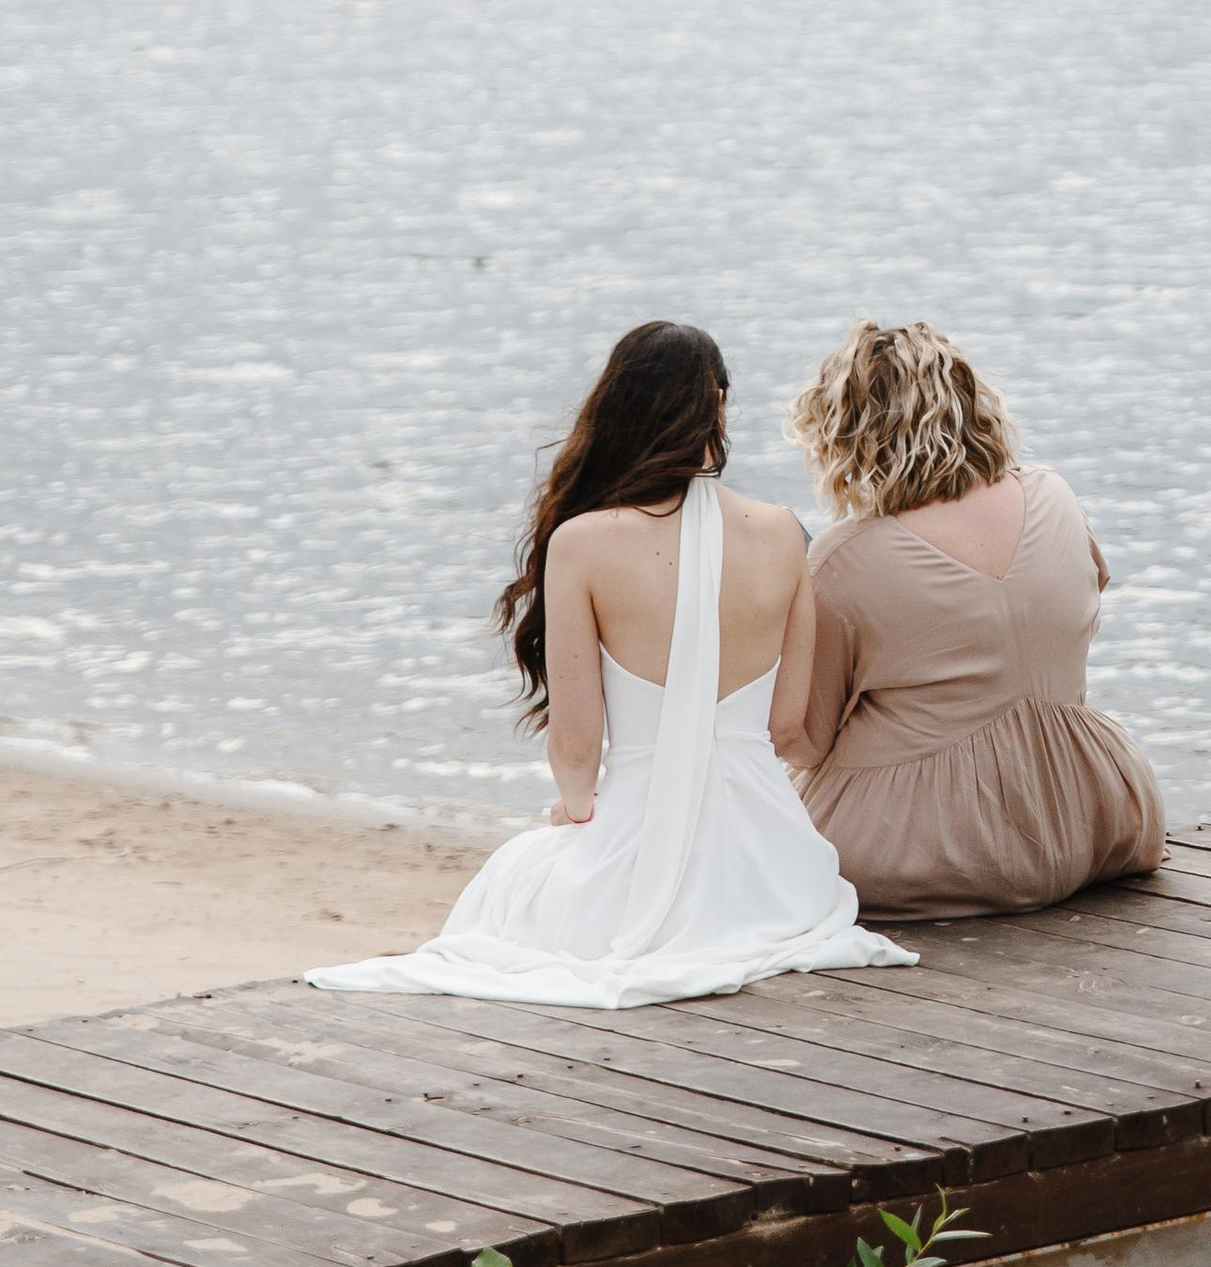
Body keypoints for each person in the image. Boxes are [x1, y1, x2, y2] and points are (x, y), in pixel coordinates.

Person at [307, 320, 912, 1009]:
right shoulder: (781, 532)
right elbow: (785, 724)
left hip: (640, 835)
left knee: (517, 879)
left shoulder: (582, 543)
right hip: (770, 865)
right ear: (718, 409)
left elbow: (575, 742)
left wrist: (575, 809)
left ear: (615, 408)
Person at [777, 320, 1166, 923]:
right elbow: (1082, 612)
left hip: (920, 850)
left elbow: (806, 738)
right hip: (1097, 817)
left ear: (846, 435)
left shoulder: (842, 559)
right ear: (972, 405)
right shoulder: (1053, 495)